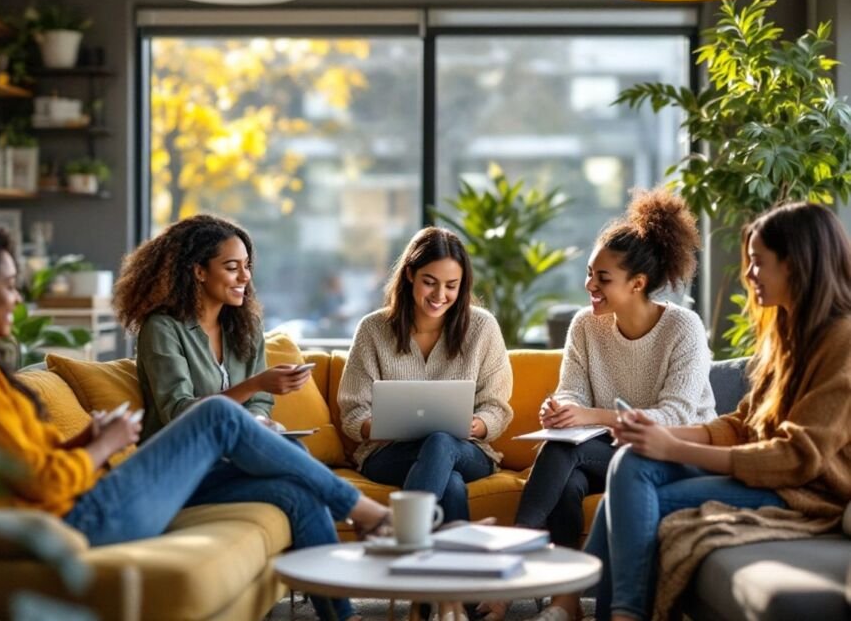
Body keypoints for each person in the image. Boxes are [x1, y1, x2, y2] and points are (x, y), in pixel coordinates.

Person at [0, 220, 390, 621]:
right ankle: (365, 511)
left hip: (91, 499)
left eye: (247, 267)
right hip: (83, 517)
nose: (18, 298)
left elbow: (31, 466)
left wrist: (85, 441)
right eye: (11, 286)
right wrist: (105, 445)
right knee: (218, 414)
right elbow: (45, 483)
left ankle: (342, 615)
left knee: (295, 489)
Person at [541, 201, 851, 621]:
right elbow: (745, 423)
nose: (749, 274)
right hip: (763, 470)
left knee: (633, 492)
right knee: (631, 462)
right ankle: (611, 610)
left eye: (759, 263)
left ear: (797, 265)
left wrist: (674, 448)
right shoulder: (788, 334)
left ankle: (618, 611)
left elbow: (796, 458)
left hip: (804, 489)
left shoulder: (842, 341)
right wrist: (662, 441)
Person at [479, 190, 717, 621]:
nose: (590, 285)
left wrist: (590, 417)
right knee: (565, 472)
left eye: (602, 278)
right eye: (590, 273)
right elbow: (571, 390)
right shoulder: (585, 326)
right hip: (606, 451)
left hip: (673, 454)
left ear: (637, 284)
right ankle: (565, 601)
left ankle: (510, 576)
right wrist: (562, 409)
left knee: (564, 451)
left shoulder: (683, 328)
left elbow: (676, 416)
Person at [338, 226, 514, 524]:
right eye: (429, 282)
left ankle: (401, 536)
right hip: (389, 454)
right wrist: (382, 426)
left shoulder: (482, 328)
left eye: (451, 285)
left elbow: (496, 407)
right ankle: (454, 562)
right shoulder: (373, 330)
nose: (440, 295)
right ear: (410, 275)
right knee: (452, 485)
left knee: (441, 442)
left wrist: (477, 424)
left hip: (466, 450)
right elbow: (354, 412)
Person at [114, 214, 312, 442]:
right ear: (200, 272)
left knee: (290, 446)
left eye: (246, 265)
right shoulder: (162, 328)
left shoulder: (247, 327)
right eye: (231, 267)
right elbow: (178, 412)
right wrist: (255, 384)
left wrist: (258, 422)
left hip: (236, 446)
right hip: (184, 452)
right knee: (291, 458)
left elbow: (260, 401)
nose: (245, 276)